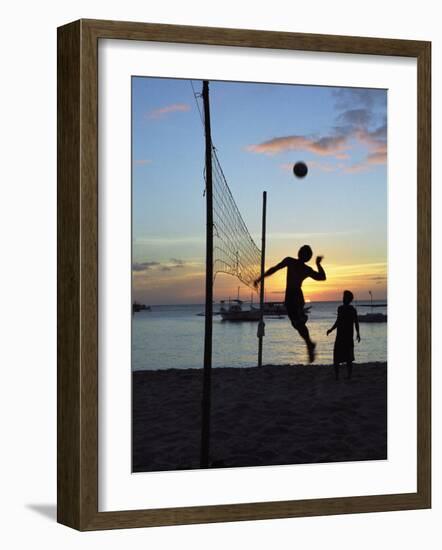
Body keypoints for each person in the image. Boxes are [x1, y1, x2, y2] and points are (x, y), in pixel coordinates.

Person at [254, 245, 326, 363]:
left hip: (295, 295)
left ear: (305, 256)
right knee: (296, 324)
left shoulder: (301, 266)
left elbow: (322, 277)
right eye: (303, 253)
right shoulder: (292, 262)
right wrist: (260, 278)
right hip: (292, 296)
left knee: (298, 323)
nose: (302, 255)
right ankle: (309, 342)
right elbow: (274, 269)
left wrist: (260, 279)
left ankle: (309, 343)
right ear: (300, 254)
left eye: (304, 254)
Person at [327, 290, 361, 380]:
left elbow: (356, 322)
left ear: (348, 299)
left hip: (344, 337)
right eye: (343, 297)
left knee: (345, 358)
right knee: (340, 357)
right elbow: (338, 321)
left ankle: (345, 376)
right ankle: (339, 376)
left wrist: (358, 333)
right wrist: (331, 329)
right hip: (343, 336)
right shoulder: (343, 309)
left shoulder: (349, 309)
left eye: (344, 297)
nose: (343, 299)